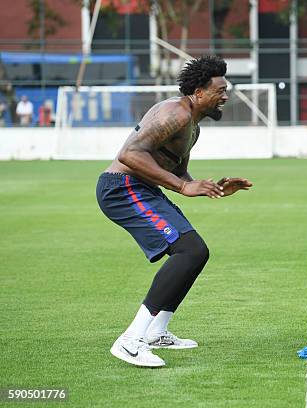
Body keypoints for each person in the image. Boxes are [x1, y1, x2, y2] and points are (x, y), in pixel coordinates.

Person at [96, 55, 253, 368]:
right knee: (189, 250)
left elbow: (179, 175)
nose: (226, 96)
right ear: (197, 92)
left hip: (140, 189)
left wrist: (213, 188)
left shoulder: (193, 127)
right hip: (121, 188)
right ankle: (130, 341)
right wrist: (183, 189)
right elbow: (129, 155)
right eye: (220, 90)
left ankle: (157, 331)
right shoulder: (175, 114)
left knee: (197, 252)